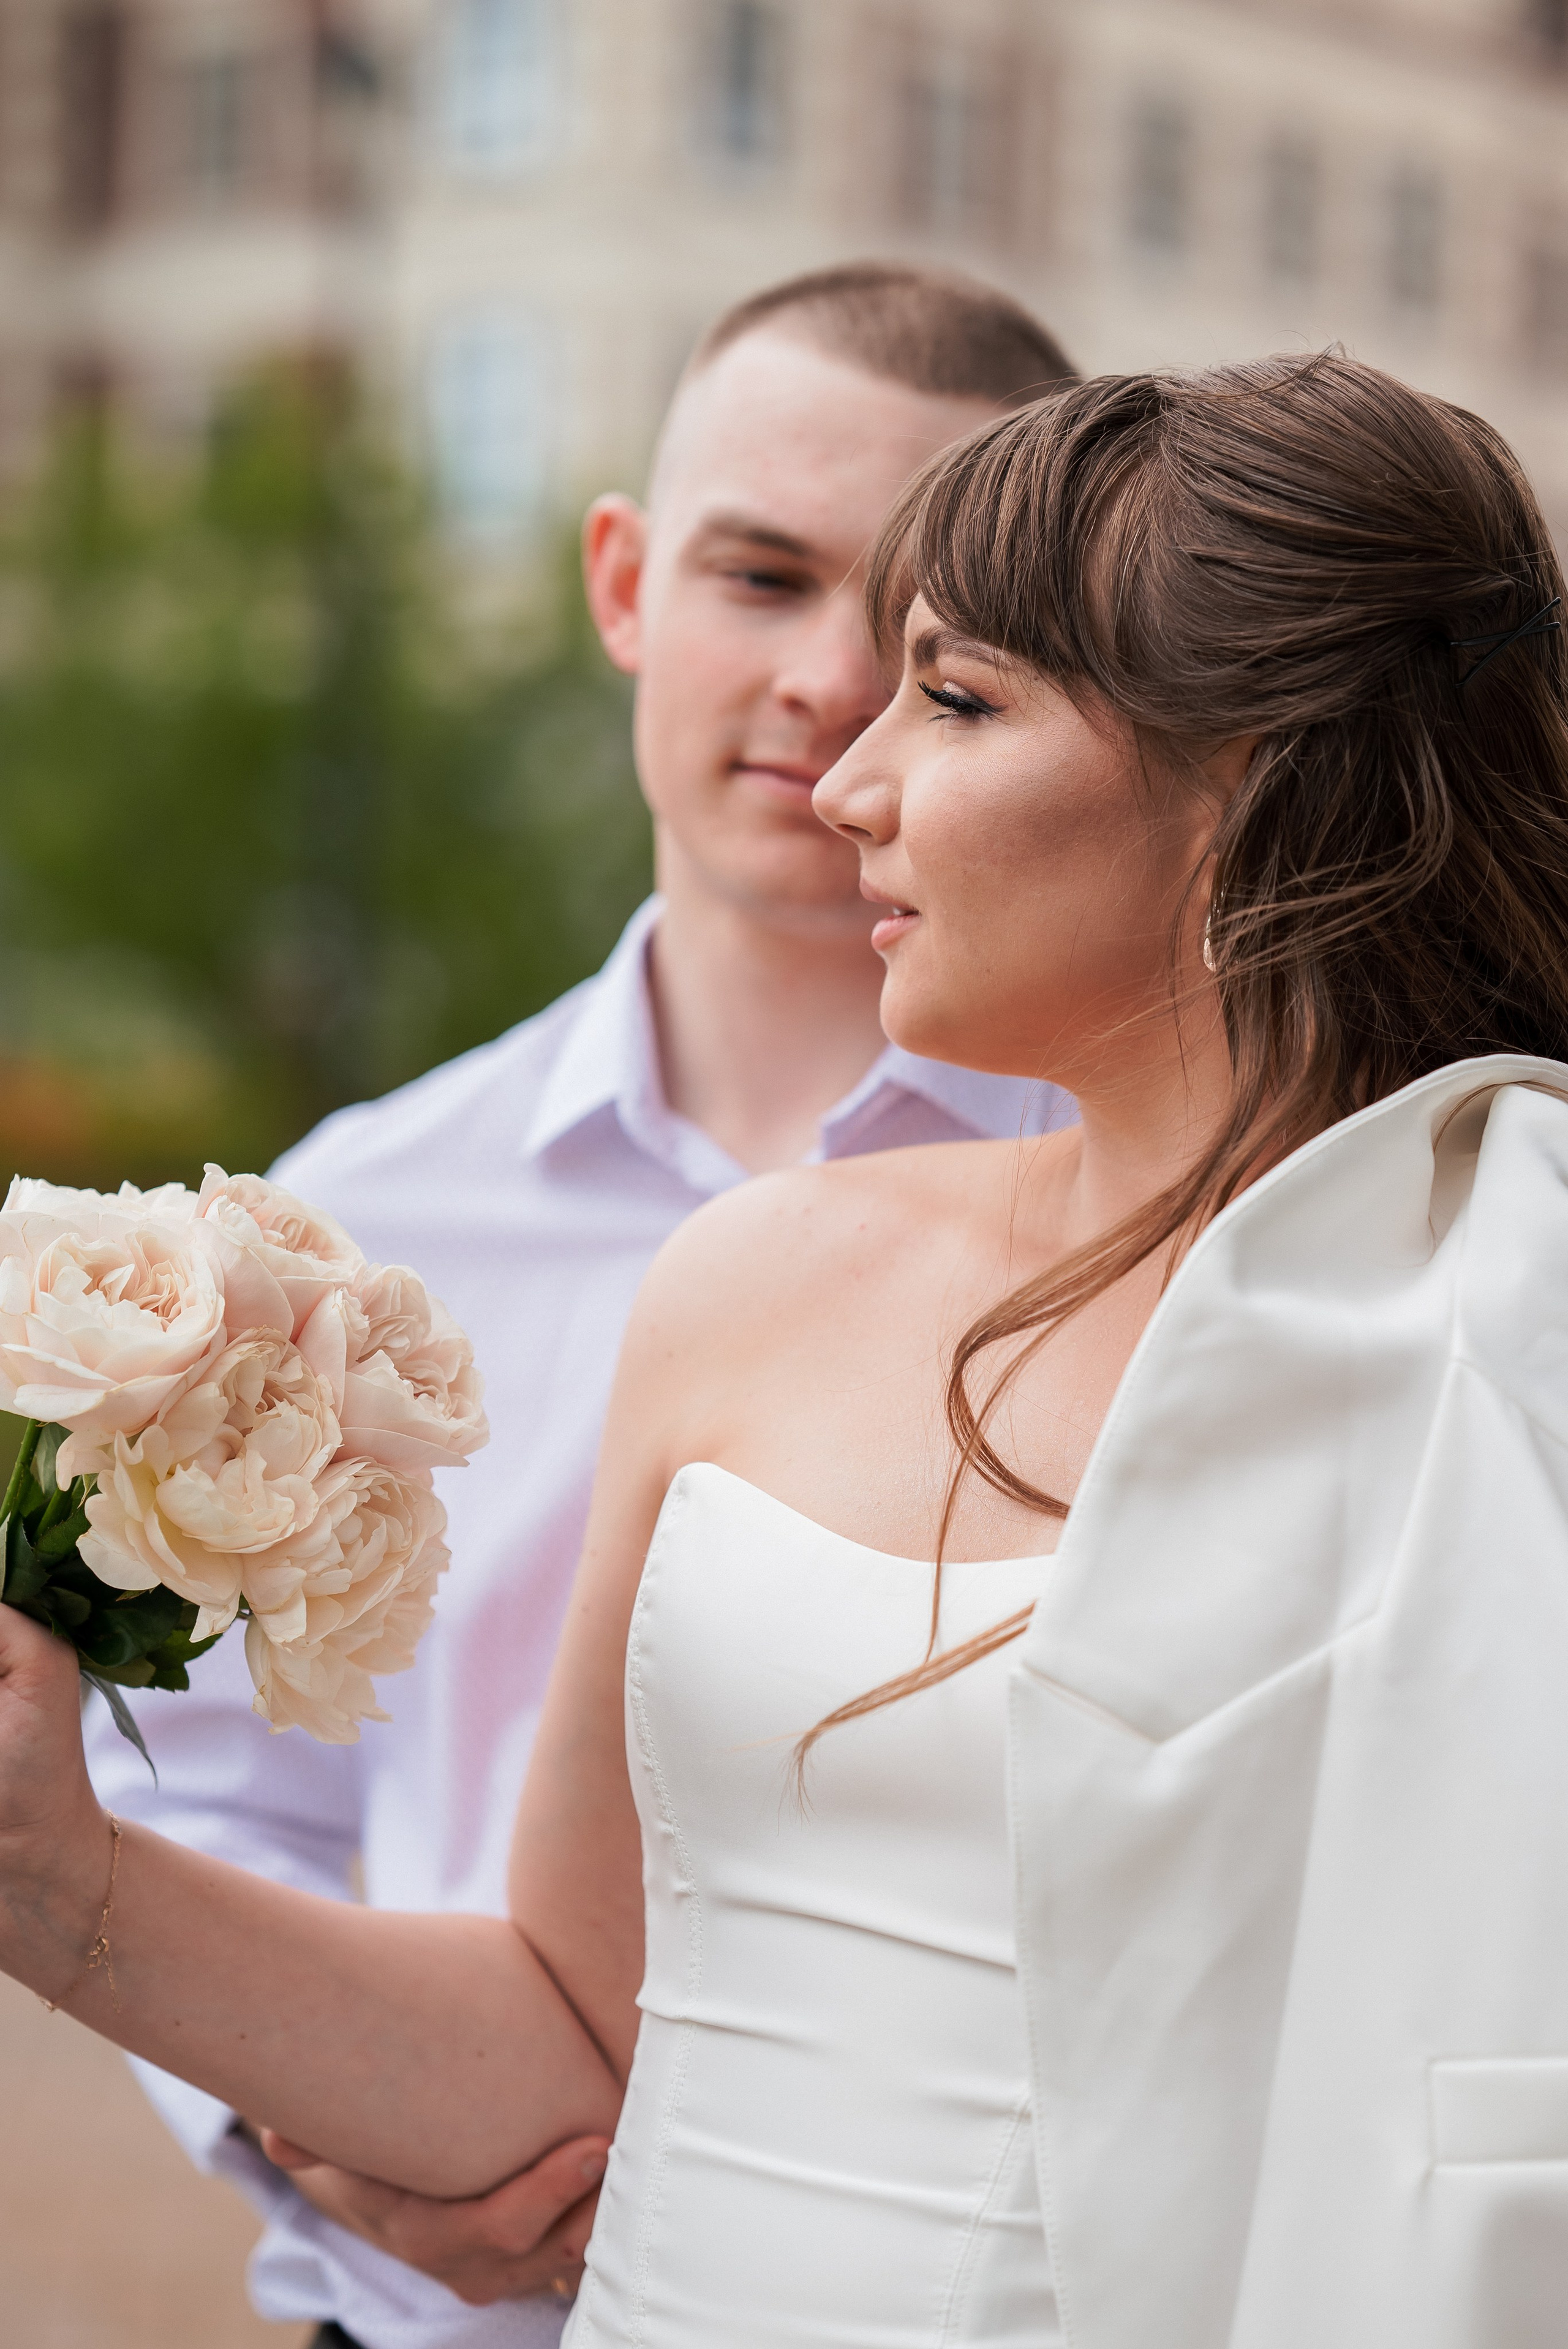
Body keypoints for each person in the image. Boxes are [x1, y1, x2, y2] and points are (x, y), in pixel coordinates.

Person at [6, 350, 1568, 2348]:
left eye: (957, 696)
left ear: (1253, 772)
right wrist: (55, 1874)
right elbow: (568, 2041)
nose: (850, 781)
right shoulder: (750, 1280)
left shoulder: (1507, 1313)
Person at [80, 262, 1080, 2347]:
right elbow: (200, 1778)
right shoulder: (348, 1217)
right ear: (625, 581)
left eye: (924, 633)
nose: (827, 679)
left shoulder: (1162, 1210)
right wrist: (323, 2133)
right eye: (760, 575)